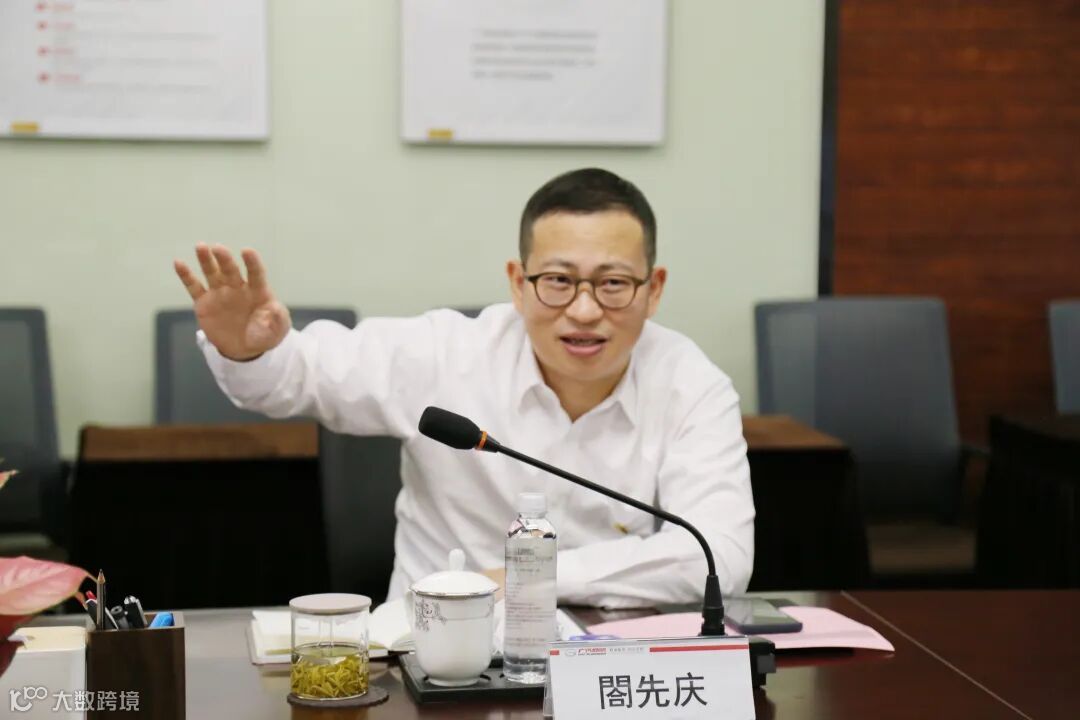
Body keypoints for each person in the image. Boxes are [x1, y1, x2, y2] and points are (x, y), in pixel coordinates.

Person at [174, 168, 754, 608]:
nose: (583, 310)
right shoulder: (445, 354)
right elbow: (299, 375)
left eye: (613, 284)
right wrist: (248, 349)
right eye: (557, 280)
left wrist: (528, 580)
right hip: (439, 655)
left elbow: (720, 555)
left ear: (654, 289)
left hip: (613, 665)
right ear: (517, 283)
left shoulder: (691, 385)